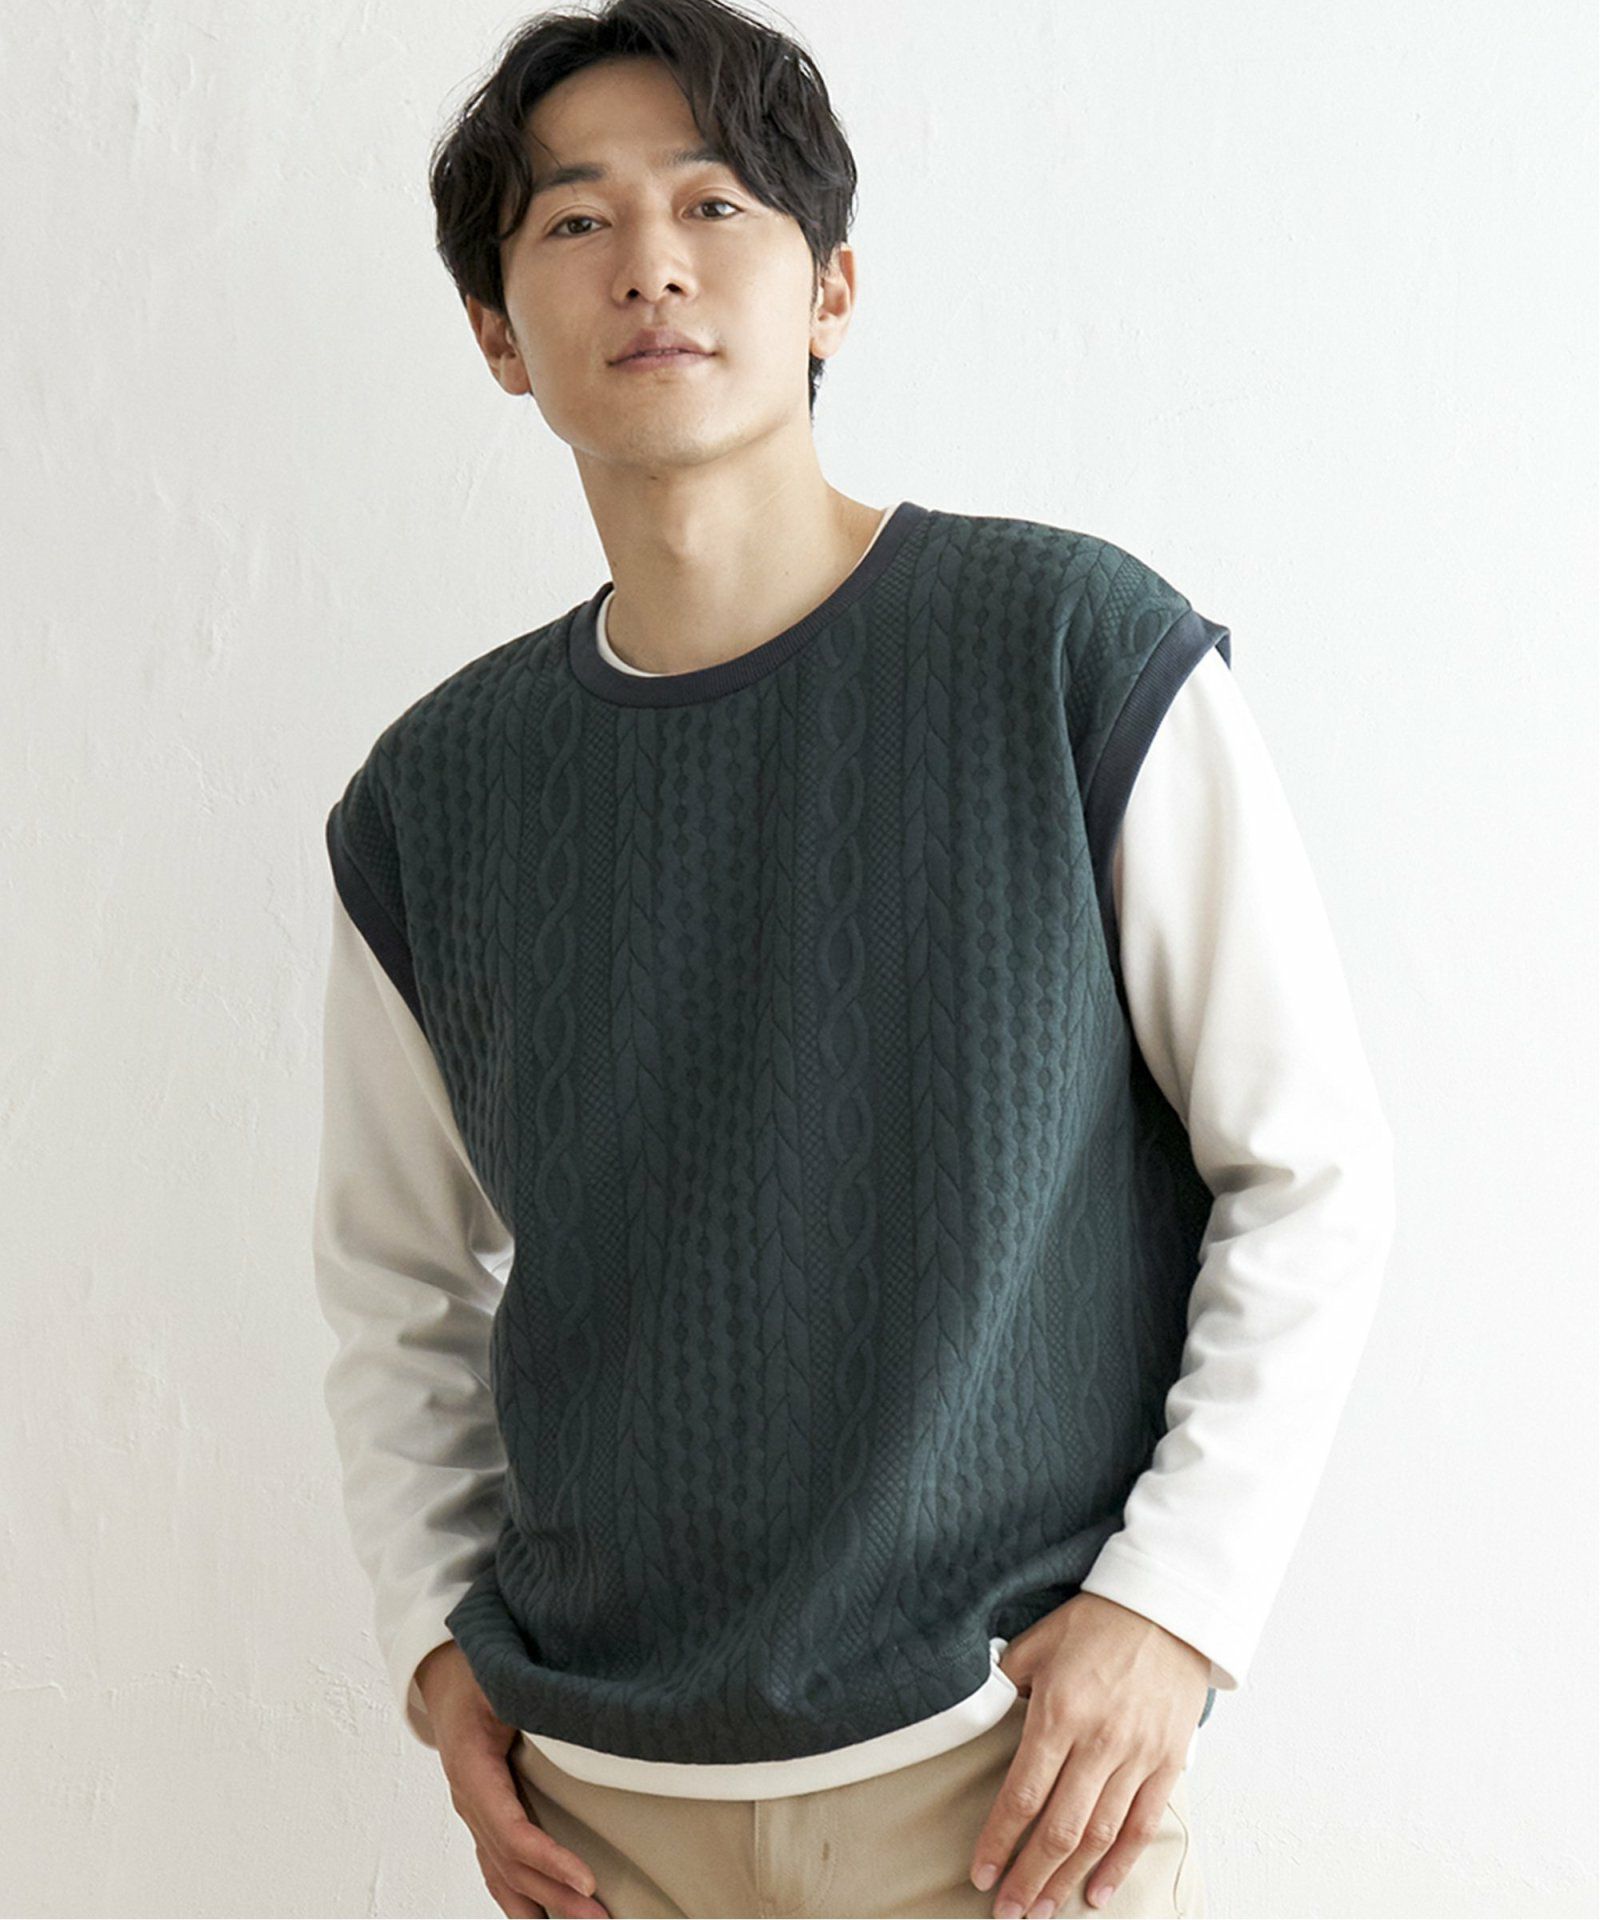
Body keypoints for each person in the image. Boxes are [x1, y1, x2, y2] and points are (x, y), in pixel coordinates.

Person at [311, 3, 1396, 1915]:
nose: (650, 262)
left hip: (1008, 1785)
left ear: (829, 287)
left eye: (713, 202)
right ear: (497, 331)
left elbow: (1305, 1163)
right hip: (597, 1807)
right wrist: (433, 1644)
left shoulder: (1069, 653)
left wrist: (1175, 1608)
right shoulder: (433, 798)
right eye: (575, 222)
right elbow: (395, 1272)